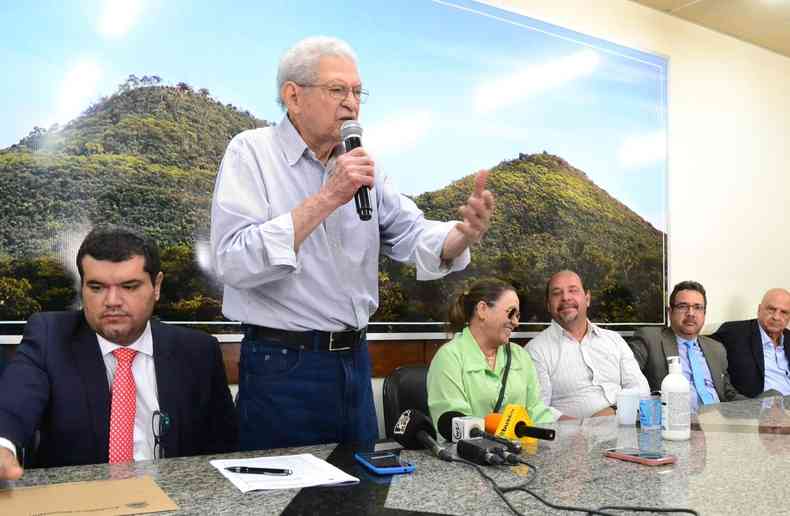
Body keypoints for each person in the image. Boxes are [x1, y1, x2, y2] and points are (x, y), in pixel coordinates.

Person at [210, 36, 494, 450]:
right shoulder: (251, 152)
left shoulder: (362, 164)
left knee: (360, 492)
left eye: (357, 92)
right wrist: (328, 198)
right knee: (281, 498)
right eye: (337, 90)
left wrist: (461, 235)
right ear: (293, 96)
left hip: (355, 361)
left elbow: (411, 233)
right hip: (283, 365)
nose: (351, 103)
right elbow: (233, 260)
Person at [0, 226, 238, 480]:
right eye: (97, 287)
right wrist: (3, 445)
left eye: (129, 286)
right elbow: (15, 402)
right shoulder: (50, 337)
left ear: (156, 286)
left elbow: (223, 451)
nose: (112, 301)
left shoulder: (198, 352)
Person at [427, 279, 554, 432]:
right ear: (482, 310)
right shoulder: (449, 358)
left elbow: (537, 412)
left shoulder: (520, 356)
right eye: (511, 313)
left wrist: (551, 437)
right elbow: (456, 426)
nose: (515, 323)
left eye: (518, 316)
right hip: (470, 454)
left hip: (521, 453)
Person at [526, 270, 648, 419]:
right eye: (557, 293)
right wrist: (582, 427)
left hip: (626, 429)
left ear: (587, 298)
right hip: (571, 439)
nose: (565, 297)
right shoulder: (536, 351)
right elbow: (538, 408)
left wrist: (614, 410)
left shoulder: (614, 340)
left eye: (573, 290)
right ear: (548, 305)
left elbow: (641, 389)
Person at [630, 281, 742, 412]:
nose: (691, 313)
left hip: (718, 423)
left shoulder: (716, 348)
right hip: (675, 424)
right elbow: (629, 383)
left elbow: (728, 393)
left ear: (704, 313)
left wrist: (760, 407)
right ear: (670, 312)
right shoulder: (650, 339)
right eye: (683, 306)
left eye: (697, 307)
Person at [712, 288, 790, 397]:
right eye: (771, 309)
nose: (776, 317)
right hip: (759, 407)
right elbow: (702, 347)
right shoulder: (733, 332)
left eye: (784, 312)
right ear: (759, 309)